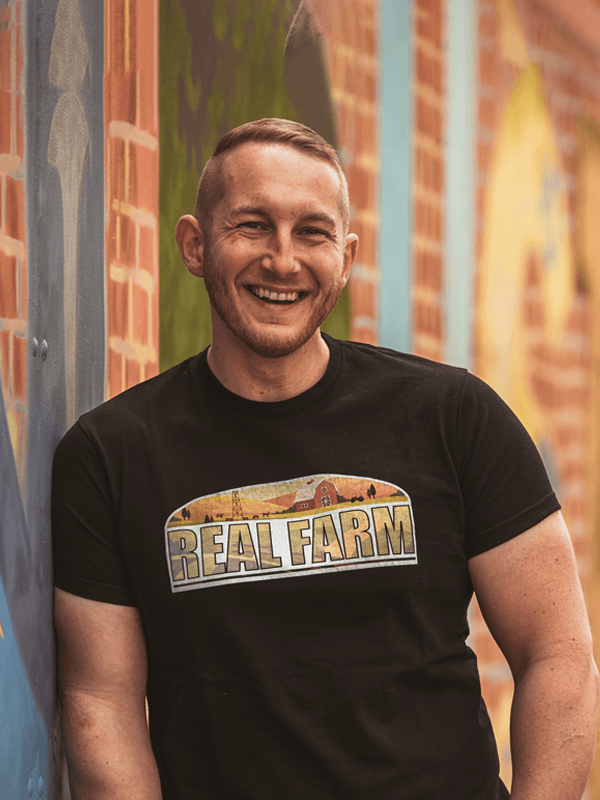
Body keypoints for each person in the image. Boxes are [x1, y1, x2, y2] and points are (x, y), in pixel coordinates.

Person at [52, 118, 598, 800]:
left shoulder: (454, 418)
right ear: (195, 245)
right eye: (252, 226)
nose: (282, 260)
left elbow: (558, 654)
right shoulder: (110, 455)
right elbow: (101, 703)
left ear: (345, 256)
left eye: (311, 232)